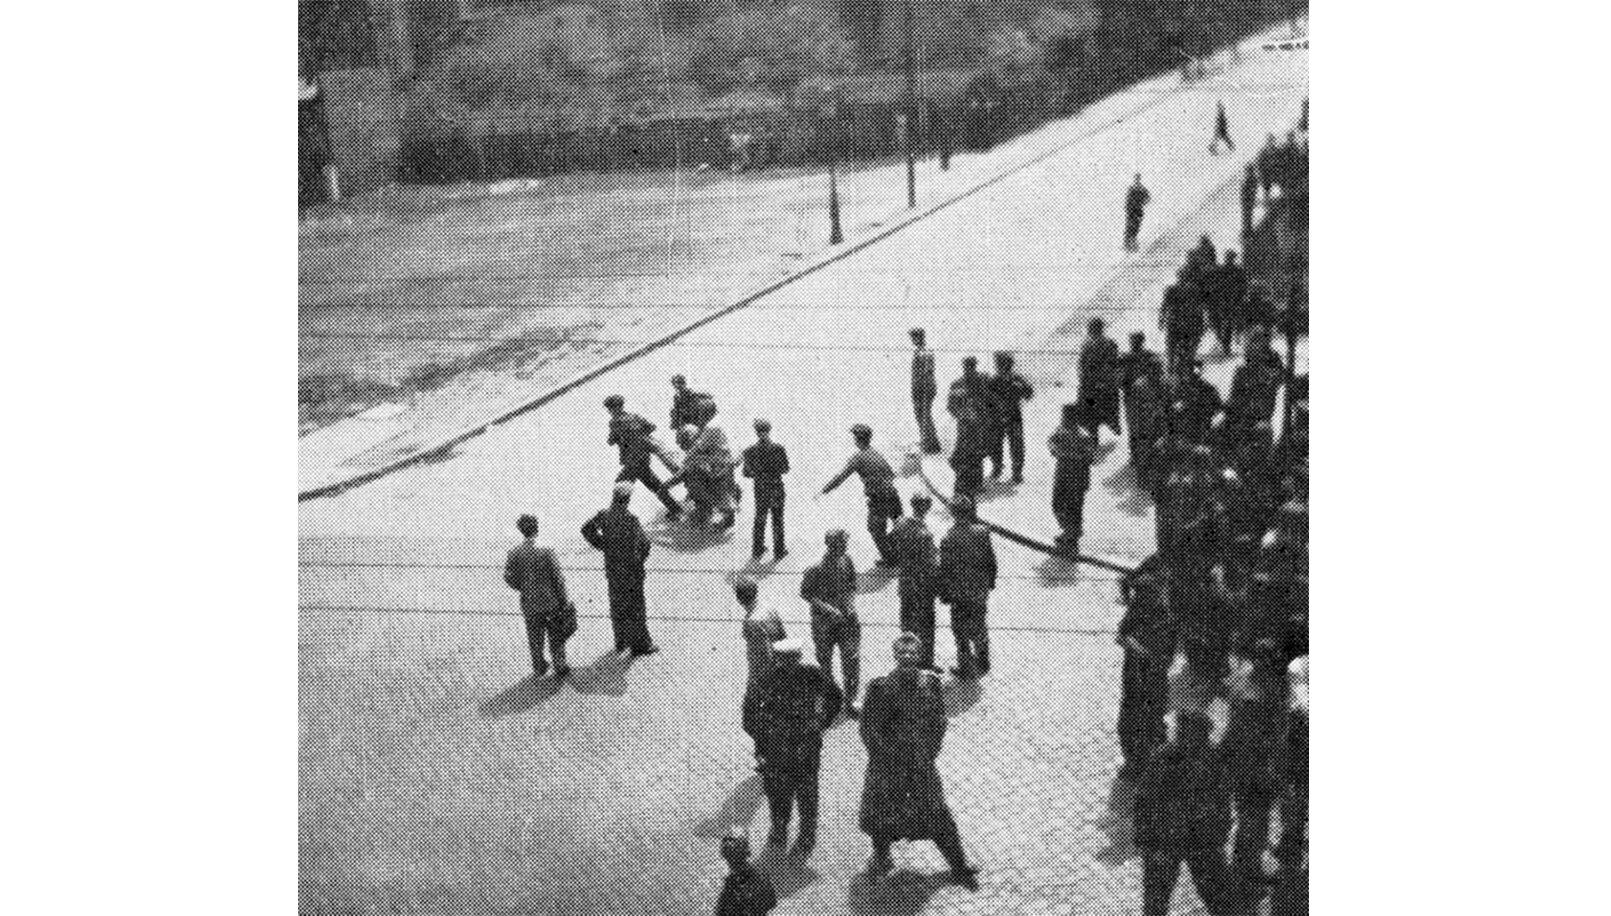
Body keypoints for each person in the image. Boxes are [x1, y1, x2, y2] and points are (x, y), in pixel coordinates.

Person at [859, 633, 981, 891]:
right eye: (902, 653)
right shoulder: (880, 687)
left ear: (919, 656)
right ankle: (881, 857)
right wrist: (887, 756)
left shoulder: (931, 683)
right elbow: (868, 729)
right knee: (882, 815)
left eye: (912, 653)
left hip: (921, 764)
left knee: (938, 813)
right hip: (889, 767)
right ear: (895, 656)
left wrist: (930, 752)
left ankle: (958, 866)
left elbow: (939, 721)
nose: (907, 657)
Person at [1134, 710, 1246, 916]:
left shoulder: (1209, 760)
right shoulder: (1166, 759)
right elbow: (1143, 802)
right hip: (1169, 843)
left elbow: (1223, 802)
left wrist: (1218, 837)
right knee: (1157, 904)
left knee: (1220, 901)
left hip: (1198, 843)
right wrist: (1148, 843)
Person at [743, 637, 843, 856]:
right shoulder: (767, 678)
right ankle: (782, 828)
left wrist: (821, 722)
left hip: (801, 744)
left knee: (803, 788)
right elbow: (748, 715)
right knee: (780, 789)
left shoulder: (811, 674)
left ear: (798, 657)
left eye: (792, 659)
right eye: (784, 660)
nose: (789, 664)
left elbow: (836, 697)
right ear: (778, 658)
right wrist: (764, 736)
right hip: (779, 745)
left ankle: (803, 830)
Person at [1224, 639, 1288, 883]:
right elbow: (1259, 738)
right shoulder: (1261, 696)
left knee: (1250, 820)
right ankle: (1247, 871)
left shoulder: (1245, 682)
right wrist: (1270, 769)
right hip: (1254, 770)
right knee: (1255, 820)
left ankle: (1245, 866)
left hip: (1244, 766)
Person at [580, 483, 659, 656]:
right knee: (636, 607)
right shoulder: (631, 519)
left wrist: (603, 545)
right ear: (627, 499)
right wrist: (640, 559)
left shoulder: (604, 515)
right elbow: (644, 544)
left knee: (617, 605)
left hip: (613, 570)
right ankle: (640, 645)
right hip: (632, 572)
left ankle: (620, 641)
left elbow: (586, 529)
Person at [1117, 561, 1175, 778]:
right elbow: (1121, 634)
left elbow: (1167, 653)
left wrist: (1154, 657)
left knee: (1152, 721)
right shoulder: (1138, 610)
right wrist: (1138, 648)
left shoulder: (1166, 617)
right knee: (1130, 722)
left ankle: (1152, 765)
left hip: (1154, 679)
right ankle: (1133, 762)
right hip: (1134, 676)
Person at [821, 425, 903, 567]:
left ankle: (890, 559)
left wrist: (825, 489)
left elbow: (841, 476)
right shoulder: (876, 453)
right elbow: (891, 474)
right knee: (899, 525)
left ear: (857, 439)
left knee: (875, 530)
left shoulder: (858, 457)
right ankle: (899, 553)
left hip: (879, 499)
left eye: (854, 438)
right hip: (893, 495)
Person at [800, 530, 863, 716]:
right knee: (825, 662)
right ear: (831, 545)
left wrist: (851, 604)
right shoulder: (815, 568)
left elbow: (852, 585)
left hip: (847, 621)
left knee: (852, 660)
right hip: (823, 624)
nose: (845, 547)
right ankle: (831, 699)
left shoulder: (847, 560)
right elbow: (805, 593)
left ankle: (851, 700)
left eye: (845, 544)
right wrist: (828, 609)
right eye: (842, 544)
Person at [503, 514, 572, 678]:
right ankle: (559, 665)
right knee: (556, 635)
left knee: (534, 637)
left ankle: (539, 666)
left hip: (529, 602)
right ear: (537, 528)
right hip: (551, 602)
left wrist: (522, 587)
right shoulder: (547, 550)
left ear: (521, 530)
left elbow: (508, 576)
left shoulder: (514, 552)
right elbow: (558, 578)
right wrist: (564, 600)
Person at [937, 497, 997, 680]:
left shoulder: (949, 538)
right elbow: (991, 560)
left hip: (959, 593)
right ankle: (983, 662)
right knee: (980, 624)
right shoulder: (983, 532)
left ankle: (965, 667)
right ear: (970, 511)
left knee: (960, 629)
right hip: (979, 590)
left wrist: (944, 594)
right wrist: (990, 582)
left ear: (953, 513)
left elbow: (945, 570)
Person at [605, 394, 681, 517]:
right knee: (653, 484)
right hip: (644, 457)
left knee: (622, 484)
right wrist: (638, 435)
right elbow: (652, 427)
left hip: (632, 461)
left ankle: (617, 518)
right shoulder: (634, 416)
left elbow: (611, 441)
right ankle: (674, 508)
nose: (609, 411)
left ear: (614, 408)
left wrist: (624, 439)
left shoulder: (615, 422)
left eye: (610, 408)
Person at [737, 576, 786, 767]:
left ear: (739, 599)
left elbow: (763, 655)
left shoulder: (752, 622)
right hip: (779, 670)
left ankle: (768, 756)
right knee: (767, 717)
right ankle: (766, 754)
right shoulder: (770, 609)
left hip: (762, 678)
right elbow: (783, 637)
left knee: (750, 719)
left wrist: (756, 685)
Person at [888, 492, 939, 668]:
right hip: (923, 585)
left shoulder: (900, 524)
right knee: (926, 624)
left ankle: (907, 662)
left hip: (905, 582)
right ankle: (926, 663)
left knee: (907, 623)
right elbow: (932, 563)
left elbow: (890, 545)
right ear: (927, 508)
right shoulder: (925, 534)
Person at [1048, 404, 1096, 556]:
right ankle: (1068, 531)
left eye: (1066, 418)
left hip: (1076, 477)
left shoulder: (1083, 436)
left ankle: (1071, 537)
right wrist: (1055, 449)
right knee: (1057, 504)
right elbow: (1051, 441)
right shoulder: (1061, 431)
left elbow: (1090, 457)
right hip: (1062, 475)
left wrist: (1072, 455)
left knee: (1073, 507)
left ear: (1073, 419)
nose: (1063, 420)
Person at [741, 419, 790, 560]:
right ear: (769, 430)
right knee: (778, 519)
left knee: (760, 518)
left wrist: (758, 473)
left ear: (756, 432)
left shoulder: (749, 451)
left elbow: (746, 473)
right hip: (776, 487)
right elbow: (786, 469)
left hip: (760, 488)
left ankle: (757, 550)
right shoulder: (778, 448)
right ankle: (779, 551)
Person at [988, 351, 1035, 483]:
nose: (1002, 367)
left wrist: (1019, 389)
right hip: (998, 417)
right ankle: (997, 468)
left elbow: (1029, 393)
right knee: (996, 444)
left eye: (1005, 364)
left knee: (1016, 445)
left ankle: (1016, 472)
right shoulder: (993, 380)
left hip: (1013, 416)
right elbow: (987, 400)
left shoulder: (1016, 379)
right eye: (1000, 364)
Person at [1076, 317, 1122, 444]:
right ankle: (1112, 423)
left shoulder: (1087, 345)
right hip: (1104, 385)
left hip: (1092, 386)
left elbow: (1082, 366)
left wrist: (1084, 382)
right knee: (1105, 407)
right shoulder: (1110, 343)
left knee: (1091, 410)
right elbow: (1115, 364)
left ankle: (1094, 437)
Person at [714, 827, 776, 916]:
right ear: (748, 852)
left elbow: (720, 912)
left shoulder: (731, 884)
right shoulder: (762, 872)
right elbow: (772, 902)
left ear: (725, 857)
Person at [1161, 272, 1207, 378]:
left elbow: (1164, 306)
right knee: (1187, 348)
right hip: (1187, 323)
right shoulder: (1194, 289)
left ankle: (1171, 369)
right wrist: (1202, 323)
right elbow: (1200, 307)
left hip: (1175, 322)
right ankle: (1184, 369)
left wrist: (1162, 320)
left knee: (1172, 348)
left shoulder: (1172, 289)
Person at [1205, 250, 1248, 356]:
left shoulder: (1223, 270)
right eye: (1229, 257)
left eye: (1230, 257)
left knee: (1223, 322)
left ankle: (1225, 343)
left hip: (1227, 300)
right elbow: (1243, 286)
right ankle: (1225, 343)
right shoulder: (1236, 270)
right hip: (1227, 300)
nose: (1229, 259)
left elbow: (1243, 286)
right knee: (1225, 322)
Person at [910, 328, 942, 454]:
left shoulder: (925, 352)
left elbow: (927, 371)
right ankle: (929, 442)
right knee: (922, 415)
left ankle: (930, 445)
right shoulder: (919, 352)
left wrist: (922, 388)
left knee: (924, 415)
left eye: (914, 338)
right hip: (920, 387)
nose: (913, 340)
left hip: (924, 388)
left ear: (920, 338)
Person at [1124, 174, 1150, 252]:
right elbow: (1127, 200)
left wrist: (1142, 202)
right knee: (1130, 226)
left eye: (1138, 179)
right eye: (1136, 179)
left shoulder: (1141, 189)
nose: (1137, 180)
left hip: (1137, 210)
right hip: (1132, 210)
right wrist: (1128, 208)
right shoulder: (1132, 189)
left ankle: (1132, 243)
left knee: (1136, 226)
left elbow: (1148, 198)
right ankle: (1128, 243)